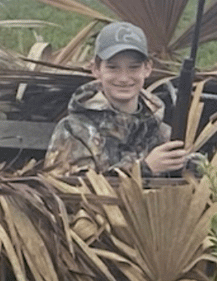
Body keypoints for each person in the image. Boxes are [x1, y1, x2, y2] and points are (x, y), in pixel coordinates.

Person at [45, 20, 190, 176]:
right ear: (95, 69)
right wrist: (143, 170)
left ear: (147, 69)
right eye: (113, 67)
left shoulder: (162, 134)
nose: (123, 78)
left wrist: (194, 165)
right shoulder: (73, 130)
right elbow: (71, 192)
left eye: (133, 67)